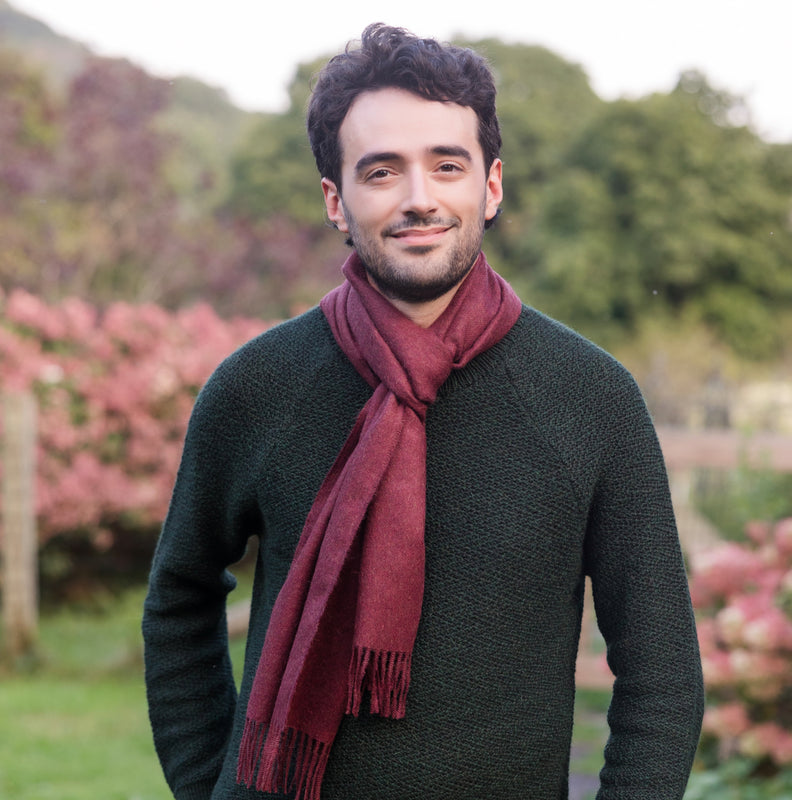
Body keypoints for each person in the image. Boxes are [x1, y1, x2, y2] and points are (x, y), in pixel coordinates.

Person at [143, 23, 704, 800]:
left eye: (447, 165)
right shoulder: (256, 387)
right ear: (337, 200)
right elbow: (178, 599)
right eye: (381, 171)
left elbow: (662, 671)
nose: (419, 198)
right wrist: (208, 785)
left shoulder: (591, 397)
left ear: (492, 185)